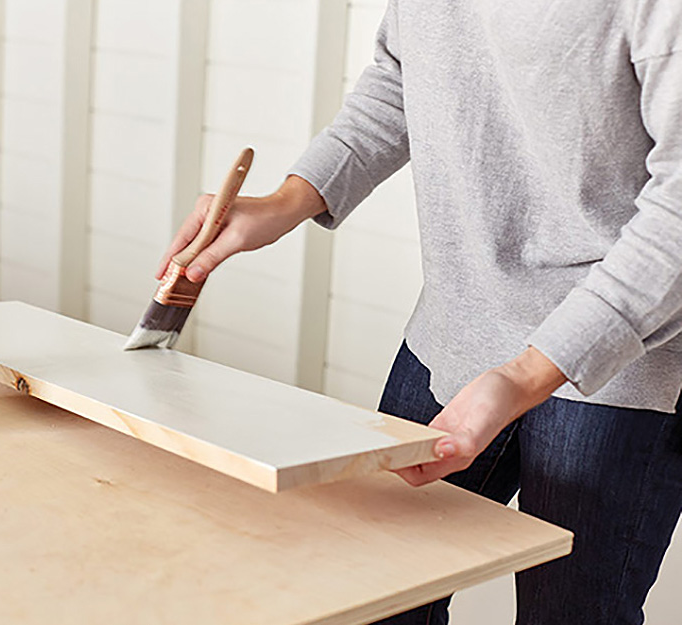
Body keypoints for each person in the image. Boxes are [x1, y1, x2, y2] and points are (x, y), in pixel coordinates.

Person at [157, 0, 682, 622]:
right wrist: (288, 200)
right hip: (453, 329)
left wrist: (524, 375)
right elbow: (401, 79)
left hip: (620, 365)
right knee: (376, 590)